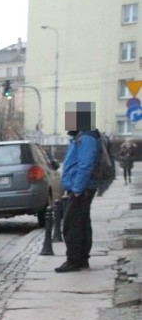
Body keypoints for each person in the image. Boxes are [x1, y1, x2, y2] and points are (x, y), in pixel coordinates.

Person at [56, 101, 100, 273]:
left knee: (72, 225)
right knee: (81, 223)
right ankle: (81, 259)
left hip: (81, 188)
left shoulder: (86, 138)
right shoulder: (81, 136)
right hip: (81, 187)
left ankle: (73, 260)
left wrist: (77, 189)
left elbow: (85, 165)